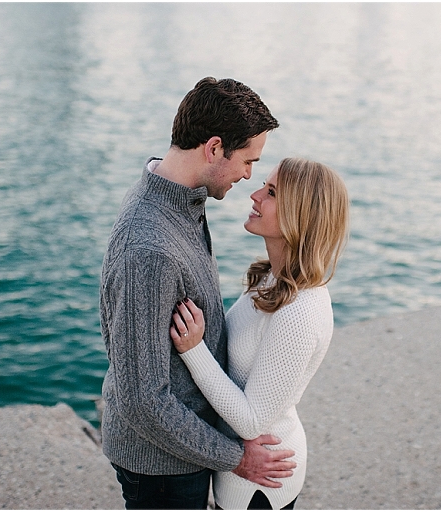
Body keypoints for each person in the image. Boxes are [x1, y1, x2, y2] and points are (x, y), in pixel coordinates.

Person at [100, 77, 297, 510]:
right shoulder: (149, 249)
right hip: (164, 466)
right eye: (247, 160)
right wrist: (237, 458)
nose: (249, 175)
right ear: (213, 148)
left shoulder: (181, 199)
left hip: (186, 447)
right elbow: (143, 401)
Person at [170, 158, 350, 509]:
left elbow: (251, 421)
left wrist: (193, 351)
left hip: (262, 477)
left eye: (270, 192)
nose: (254, 195)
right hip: (241, 468)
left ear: (299, 214)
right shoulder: (271, 279)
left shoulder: (299, 309)